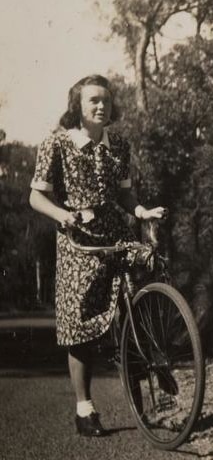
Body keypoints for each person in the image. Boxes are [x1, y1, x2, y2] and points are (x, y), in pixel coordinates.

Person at [29, 74, 166, 437]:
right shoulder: (56, 144)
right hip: (78, 239)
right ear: (78, 106)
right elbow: (36, 196)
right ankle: (85, 408)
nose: (101, 106)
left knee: (144, 285)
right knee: (81, 324)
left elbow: (125, 195)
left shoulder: (118, 144)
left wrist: (141, 212)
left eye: (106, 100)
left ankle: (152, 359)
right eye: (93, 101)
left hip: (115, 232)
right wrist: (62, 215)